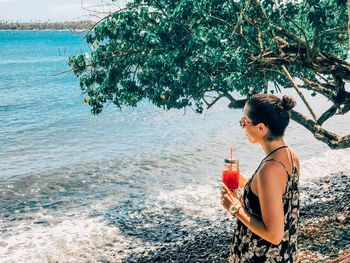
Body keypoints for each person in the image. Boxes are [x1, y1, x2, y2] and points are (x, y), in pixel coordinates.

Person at [221, 94, 300, 262]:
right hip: (283, 254)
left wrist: (235, 209)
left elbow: (274, 235)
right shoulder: (290, 156)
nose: (242, 127)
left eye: (244, 122)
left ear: (261, 127)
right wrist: (242, 180)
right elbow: (274, 196)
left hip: (262, 257)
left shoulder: (269, 169)